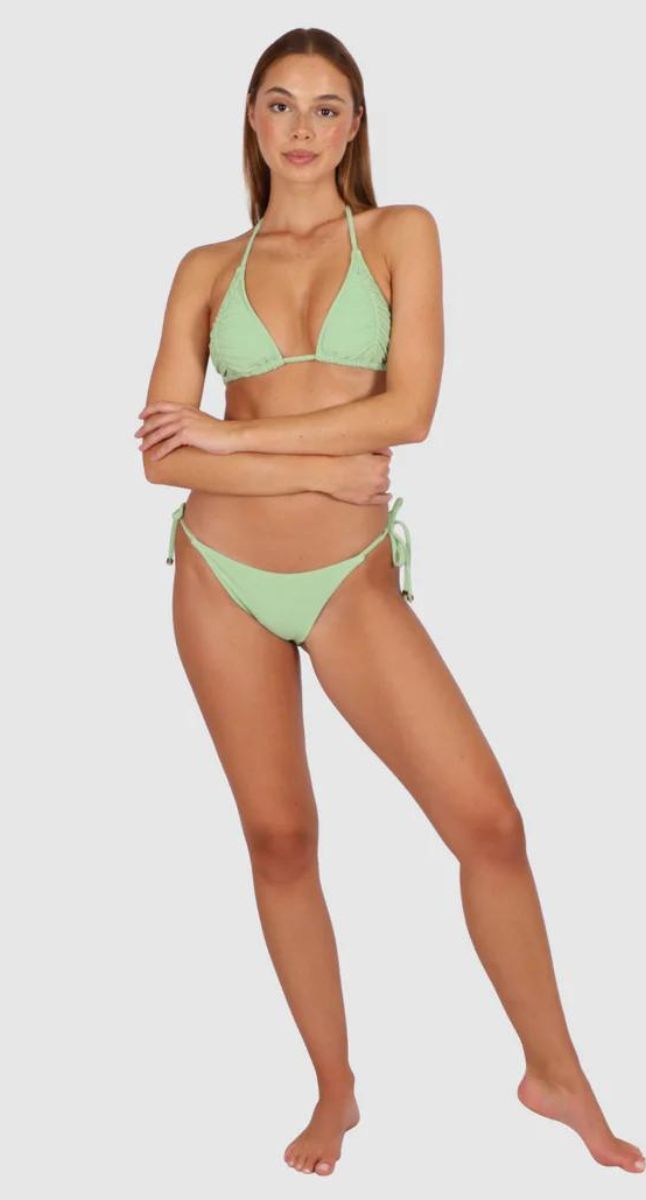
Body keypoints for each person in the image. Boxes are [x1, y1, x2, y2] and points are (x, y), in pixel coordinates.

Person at [134, 26, 644, 1179]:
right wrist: (315, 470)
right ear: (252, 118)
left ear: (355, 126)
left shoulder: (401, 234)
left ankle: (555, 1073)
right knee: (279, 839)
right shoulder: (205, 267)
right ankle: (335, 1088)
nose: (302, 128)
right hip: (219, 577)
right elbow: (164, 459)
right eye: (281, 103)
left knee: (490, 826)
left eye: (327, 108)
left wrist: (235, 437)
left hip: (349, 583)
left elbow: (408, 411)